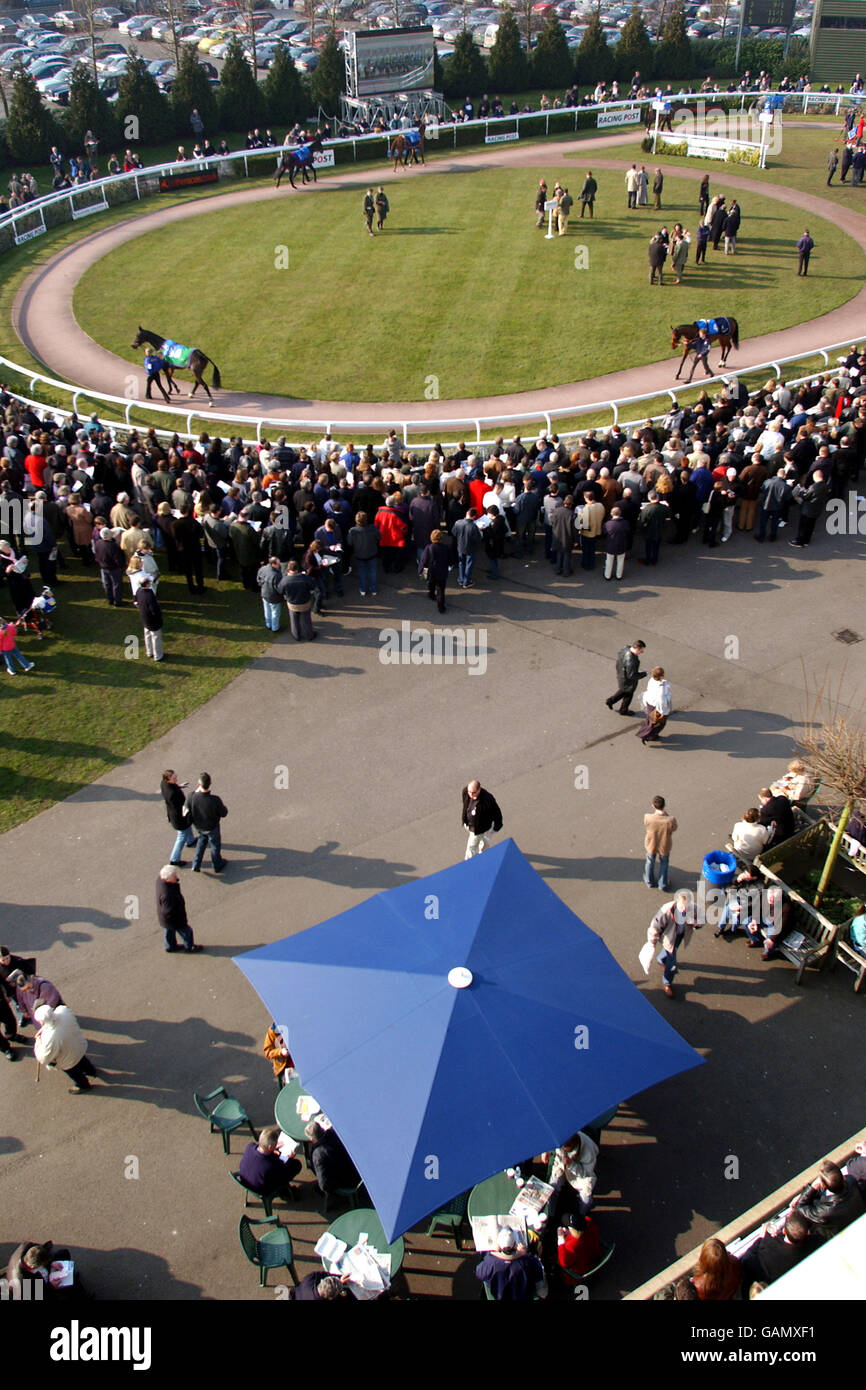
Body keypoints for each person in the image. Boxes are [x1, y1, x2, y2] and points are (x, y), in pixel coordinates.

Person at [739, 1211, 819, 1290]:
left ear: (784, 1231)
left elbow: (746, 1260)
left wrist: (761, 1238)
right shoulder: (817, 1242)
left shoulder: (768, 1247)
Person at [33, 1003, 100, 1094]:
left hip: (68, 1060)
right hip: (79, 1046)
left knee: (75, 1073)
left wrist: (38, 1041)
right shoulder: (64, 1011)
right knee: (83, 1061)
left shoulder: (50, 1038)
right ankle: (91, 1071)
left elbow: (43, 1058)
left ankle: (83, 1085)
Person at [793, 1159, 864, 1239]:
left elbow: (799, 1208)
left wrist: (811, 1188)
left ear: (823, 1185)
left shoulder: (823, 1211)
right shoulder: (851, 1181)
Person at [647, 890, 697, 998]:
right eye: (682, 907)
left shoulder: (693, 908)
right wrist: (652, 942)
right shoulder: (666, 910)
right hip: (669, 939)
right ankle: (667, 983)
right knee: (672, 964)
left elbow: (702, 919)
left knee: (671, 951)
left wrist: (696, 924)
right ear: (677, 902)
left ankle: (660, 959)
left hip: (679, 936)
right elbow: (654, 926)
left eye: (687, 907)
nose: (684, 910)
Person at [475, 1229, 548, 1300]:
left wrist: (491, 1253)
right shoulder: (526, 1261)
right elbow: (538, 1271)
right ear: (514, 1245)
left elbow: (479, 1273)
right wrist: (525, 1254)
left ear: (500, 1246)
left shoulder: (491, 1262)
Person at [239, 1125, 302, 1199]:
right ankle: (283, 1192)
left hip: (245, 1181)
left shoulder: (249, 1147)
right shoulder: (272, 1165)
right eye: (275, 1143)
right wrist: (289, 1159)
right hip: (261, 1189)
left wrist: (273, 1149)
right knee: (296, 1164)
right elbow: (282, 1169)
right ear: (270, 1147)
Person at [547, 1131, 599, 1213]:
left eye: (566, 1150)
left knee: (586, 1200)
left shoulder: (589, 1151)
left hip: (581, 1175)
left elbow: (585, 1174)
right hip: (563, 1167)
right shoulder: (561, 1143)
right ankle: (550, 1212)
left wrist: (571, 1164)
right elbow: (557, 1160)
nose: (564, 1150)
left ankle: (580, 1217)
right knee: (552, 1187)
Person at [188, 772, 228, 873]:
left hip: (199, 826)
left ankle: (196, 863)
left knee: (201, 842)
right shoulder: (214, 800)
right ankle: (217, 864)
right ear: (210, 783)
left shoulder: (192, 796)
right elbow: (223, 813)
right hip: (212, 827)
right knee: (215, 845)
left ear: (198, 784)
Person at [305, 1120, 359, 1195]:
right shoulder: (337, 1133)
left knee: (311, 1164)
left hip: (346, 1182)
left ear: (312, 1140)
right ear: (322, 1129)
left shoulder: (318, 1154)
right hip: (357, 1170)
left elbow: (324, 1185)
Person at [156, 865, 202, 953]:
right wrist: (180, 919)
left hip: (165, 919)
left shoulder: (160, 880)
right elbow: (169, 910)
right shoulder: (167, 894)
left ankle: (170, 946)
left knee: (169, 930)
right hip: (174, 919)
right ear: (167, 879)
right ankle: (190, 947)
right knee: (187, 932)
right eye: (174, 877)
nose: (177, 878)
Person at [161, 768, 197, 866]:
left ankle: (190, 840)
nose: (176, 778)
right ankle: (174, 859)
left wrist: (178, 786)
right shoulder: (173, 794)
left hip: (174, 816)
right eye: (174, 777)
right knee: (181, 836)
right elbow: (181, 804)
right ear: (168, 779)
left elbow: (172, 788)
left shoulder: (164, 784)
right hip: (179, 818)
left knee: (186, 829)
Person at [462, 779, 503, 858]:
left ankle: (470, 863)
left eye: (474, 792)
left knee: (472, 847)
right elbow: (465, 805)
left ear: (479, 790)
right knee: (482, 842)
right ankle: (483, 856)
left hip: (481, 829)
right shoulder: (466, 792)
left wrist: (498, 825)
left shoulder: (487, 800)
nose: (471, 794)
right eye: (469, 792)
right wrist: (465, 820)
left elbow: (496, 812)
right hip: (471, 826)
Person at [557, 1211, 602, 1283]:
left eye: (569, 1227)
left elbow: (564, 1263)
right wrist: (569, 1234)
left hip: (583, 1268)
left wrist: (561, 1242)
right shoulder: (589, 1221)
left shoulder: (571, 1245)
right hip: (595, 1253)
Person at [644, 794, 677, 891]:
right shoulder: (670, 820)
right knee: (664, 863)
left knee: (650, 862)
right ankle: (662, 884)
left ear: (653, 806)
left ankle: (649, 881)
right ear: (664, 805)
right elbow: (674, 828)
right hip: (664, 844)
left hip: (651, 844)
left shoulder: (648, 817)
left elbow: (646, 825)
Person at [279, 560, 317, 640]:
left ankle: (296, 635)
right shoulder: (305, 578)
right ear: (298, 568)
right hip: (304, 603)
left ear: (288, 569)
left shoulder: (284, 580)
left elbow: (280, 591)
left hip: (292, 604)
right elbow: (313, 586)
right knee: (306, 620)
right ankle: (309, 635)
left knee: (294, 620)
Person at [606, 640, 646, 715]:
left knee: (623, 690)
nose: (642, 652)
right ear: (637, 649)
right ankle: (623, 710)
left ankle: (611, 701)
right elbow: (631, 675)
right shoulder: (631, 660)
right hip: (628, 680)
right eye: (641, 650)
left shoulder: (625, 649)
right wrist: (643, 674)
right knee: (629, 694)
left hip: (622, 675)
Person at [637, 666, 672, 744]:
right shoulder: (662, 687)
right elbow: (662, 699)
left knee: (650, 720)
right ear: (662, 675)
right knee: (659, 723)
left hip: (650, 702)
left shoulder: (651, 680)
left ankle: (645, 733)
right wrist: (663, 711)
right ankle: (648, 736)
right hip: (657, 706)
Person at [419, 528, 451, 614]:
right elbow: (450, 560)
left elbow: (424, 561)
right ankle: (441, 607)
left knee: (431, 583)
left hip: (432, 571)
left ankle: (431, 594)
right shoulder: (446, 548)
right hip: (442, 572)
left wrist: (420, 570)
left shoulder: (429, 548)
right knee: (441, 590)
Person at [134, 575, 163, 662]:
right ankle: (158, 656)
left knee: (147, 635)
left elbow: (135, 601)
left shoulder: (138, 591)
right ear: (147, 584)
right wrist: (159, 616)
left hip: (144, 618)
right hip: (152, 620)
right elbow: (154, 609)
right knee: (156, 637)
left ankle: (149, 652)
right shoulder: (150, 594)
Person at [257, 554, 284, 633]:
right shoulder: (276, 575)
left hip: (265, 594)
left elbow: (258, 579)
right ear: (273, 564)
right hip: (274, 597)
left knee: (267, 610)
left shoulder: (263, 569)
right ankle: (275, 628)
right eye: (278, 564)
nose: (279, 565)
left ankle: (268, 624)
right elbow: (279, 588)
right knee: (275, 613)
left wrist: (262, 585)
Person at [602, 505, 630, 581]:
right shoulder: (625, 523)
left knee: (609, 561)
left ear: (611, 514)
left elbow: (604, 533)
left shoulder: (608, 524)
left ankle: (607, 575)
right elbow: (628, 532)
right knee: (620, 561)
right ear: (620, 514)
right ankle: (619, 575)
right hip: (622, 545)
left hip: (610, 545)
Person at [263, 1022, 294, 1088]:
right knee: (287, 1088)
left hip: (296, 1064)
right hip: (283, 1067)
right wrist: (280, 1052)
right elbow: (267, 1052)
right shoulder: (272, 1032)